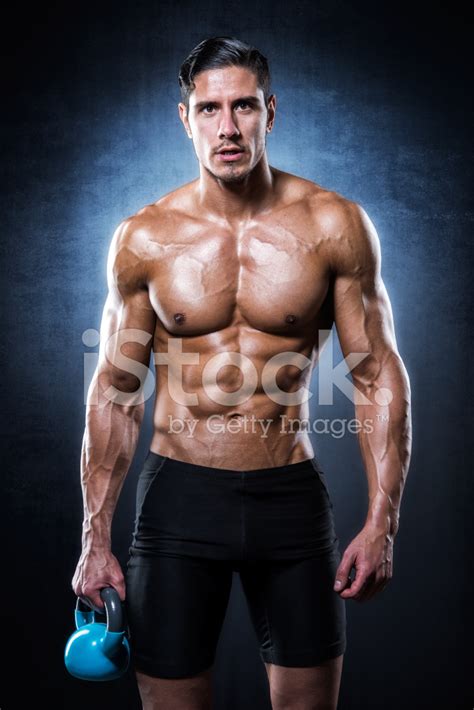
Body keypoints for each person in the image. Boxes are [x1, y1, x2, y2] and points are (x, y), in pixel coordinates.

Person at [72, 36, 412, 710]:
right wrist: (94, 537)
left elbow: (375, 375)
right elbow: (114, 391)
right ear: (184, 117)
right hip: (177, 504)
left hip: (290, 500)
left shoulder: (334, 225)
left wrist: (383, 523)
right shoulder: (144, 238)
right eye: (209, 110)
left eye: (244, 107)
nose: (228, 128)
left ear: (270, 111)